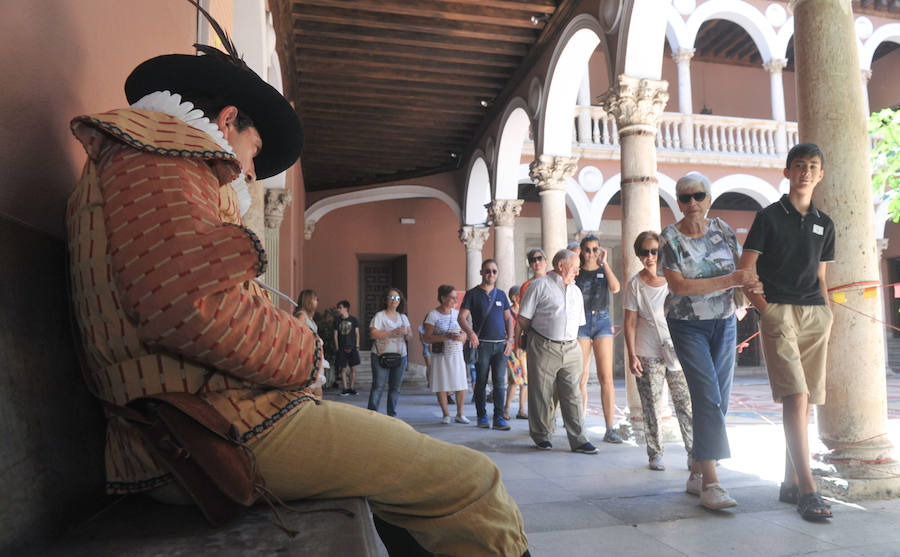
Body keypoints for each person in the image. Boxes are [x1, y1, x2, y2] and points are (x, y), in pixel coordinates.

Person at [65, 15, 528, 555]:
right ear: (227, 118)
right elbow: (185, 306)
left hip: (193, 428)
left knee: (407, 460)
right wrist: (308, 354)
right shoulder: (161, 154)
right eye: (254, 149)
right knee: (472, 484)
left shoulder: (149, 156)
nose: (250, 169)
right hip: (204, 437)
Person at [739, 143, 835, 520]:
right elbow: (747, 274)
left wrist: (827, 313)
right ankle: (809, 490)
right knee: (796, 396)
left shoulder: (825, 223)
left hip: (815, 315)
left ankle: (789, 481)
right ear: (787, 171)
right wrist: (769, 312)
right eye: (800, 165)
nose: (806, 172)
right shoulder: (768, 217)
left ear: (821, 175)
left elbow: (822, 275)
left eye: (813, 166)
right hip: (780, 315)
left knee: (806, 400)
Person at [658, 171, 760, 511]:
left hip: (724, 321)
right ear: (678, 201)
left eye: (697, 195)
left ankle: (697, 472)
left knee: (721, 399)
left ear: (708, 199)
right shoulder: (670, 238)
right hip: (687, 324)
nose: (691, 203)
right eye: (684, 197)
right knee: (706, 396)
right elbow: (679, 287)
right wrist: (730, 280)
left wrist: (748, 296)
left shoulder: (724, 231)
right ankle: (711, 485)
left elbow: (744, 273)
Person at [624, 231, 694, 472]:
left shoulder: (675, 280)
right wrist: (632, 355)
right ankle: (655, 453)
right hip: (647, 350)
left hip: (677, 349)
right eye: (645, 252)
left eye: (655, 251)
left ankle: (694, 453)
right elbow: (630, 322)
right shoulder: (635, 284)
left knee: (684, 402)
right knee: (651, 405)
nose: (650, 256)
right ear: (639, 255)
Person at [517, 249, 598, 455]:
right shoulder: (539, 286)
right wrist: (537, 338)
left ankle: (579, 439)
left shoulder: (576, 291)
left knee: (573, 394)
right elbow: (524, 319)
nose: (578, 272)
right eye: (575, 267)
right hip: (543, 345)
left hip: (571, 348)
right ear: (561, 266)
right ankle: (542, 436)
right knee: (540, 393)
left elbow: (579, 322)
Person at [575, 234, 622, 442]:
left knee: (606, 377)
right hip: (581, 323)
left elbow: (615, 288)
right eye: (587, 249)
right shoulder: (576, 272)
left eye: (595, 249)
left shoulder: (604, 269)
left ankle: (609, 428)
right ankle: (579, 425)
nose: (591, 253)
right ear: (582, 251)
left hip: (602, 320)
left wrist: (606, 264)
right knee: (581, 377)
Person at [459, 260, 515, 430]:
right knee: (481, 382)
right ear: (482, 272)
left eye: (494, 271)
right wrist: (470, 333)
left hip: (500, 346)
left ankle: (499, 417)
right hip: (481, 345)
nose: (491, 274)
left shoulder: (501, 294)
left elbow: (508, 319)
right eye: (488, 271)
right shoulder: (472, 294)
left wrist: (510, 340)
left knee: (499, 383)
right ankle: (481, 416)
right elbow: (461, 317)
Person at [423, 285, 470, 425]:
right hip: (441, 355)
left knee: (461, 384)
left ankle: (460, 414)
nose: (456, 300)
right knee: (441, 384)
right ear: (443, 298)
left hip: (456, 354)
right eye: (453, 298)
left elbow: (465, 333)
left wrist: (462, 337)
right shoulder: (433, 315)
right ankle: (446, 414)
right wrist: (446, 336)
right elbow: (427, 338)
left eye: (456, 298)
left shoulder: (457, 314)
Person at [368, 287, 412, 416]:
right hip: (380, 356)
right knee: (378, 386)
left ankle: (391, 414)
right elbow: (373, 334)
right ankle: (372, 414)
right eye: (391, 297)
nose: (394, 300)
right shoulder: (379, 316)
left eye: (397, 298)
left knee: (395, 388)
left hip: (400, 356)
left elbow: (410, 336)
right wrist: (393, 332)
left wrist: (407, 333)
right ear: (386, 300)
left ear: (400, 301)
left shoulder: (403, 317)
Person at [504, 285, 528, 421]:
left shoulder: (525, 311)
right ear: (514, 297)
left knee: (525, 381)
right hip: (513, 349)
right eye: (521, 294)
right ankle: (506, 409)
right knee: (514, 381)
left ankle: (521, 410)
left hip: (524, 348)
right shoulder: (509, 313)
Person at [333, 300, 360, 396]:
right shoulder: (337, 320)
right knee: (343, 369)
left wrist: (357, 345)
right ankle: (345, 388)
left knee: (353, 368)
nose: (338, 310)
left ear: (346, 308)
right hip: (341, 348)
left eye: (340, 307)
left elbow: (357, 334)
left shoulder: (353, 320)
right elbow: (335, 335)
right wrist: (337, 347)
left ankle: (351, 388)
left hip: (353, 347)